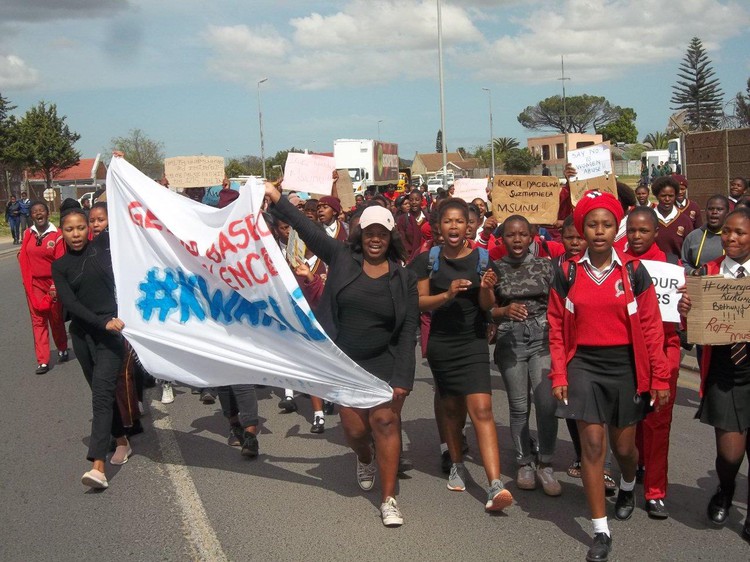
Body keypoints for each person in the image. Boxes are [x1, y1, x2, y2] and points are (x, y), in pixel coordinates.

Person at [265, 181, 418, 528]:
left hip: (384, 361)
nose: (375, 238)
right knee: (355, 432)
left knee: (385, 422)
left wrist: (403, 378)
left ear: (390, 236)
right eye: (369, 232)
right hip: (344, 361)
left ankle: (389, 498)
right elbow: (307, 229)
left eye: (382, 233)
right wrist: (276, 200)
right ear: (360, 234)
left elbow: (408, 330)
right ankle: (365, 458)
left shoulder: (402, 277)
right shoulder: (342, 258)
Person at [548, 191, 671, 561]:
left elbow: (651, 327)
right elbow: (556, 325)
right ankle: (600, 530)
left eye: (606, 225)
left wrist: (661, 378)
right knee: (593, 447)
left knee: (624, 450)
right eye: (591, 224)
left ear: (616, 227)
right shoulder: (567, 271)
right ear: (581, 229)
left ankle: (629, 483)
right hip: (583, 364)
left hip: (626, 366)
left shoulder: (634, 271)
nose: (599, 231)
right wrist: (559, 372)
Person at [409, 198, 513, 513]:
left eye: (460, 221)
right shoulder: (428, 260)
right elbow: (419, 303)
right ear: (438, 227)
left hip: (473, 343)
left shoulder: (483, 259)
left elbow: (487, 307)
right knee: (453, 411)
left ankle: (495, 485)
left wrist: (486, 288)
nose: (454, 227)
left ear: (469, 225)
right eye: (448, 221)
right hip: (441, 343)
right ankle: (456, 462)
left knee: (482, 409)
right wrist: (448, 294)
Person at [678, 207, 750, 542]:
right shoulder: (706, 272)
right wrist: (686, 314)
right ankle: (725, 488)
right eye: (728, 232)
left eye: (741, 233)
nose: (732, 238)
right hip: (725, 374)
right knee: (729, 453)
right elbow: (690, 336)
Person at [52, 208, 130, 489]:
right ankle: (121, 439)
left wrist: (118, 165)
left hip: (110, 337)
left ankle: (98, 465)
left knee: (100, 395)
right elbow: (71, 305)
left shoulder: (104, 252)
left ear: (89, 229)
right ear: (62, 231)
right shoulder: (59, 266)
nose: (76, 234)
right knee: (103, 394)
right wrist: (101, 322)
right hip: (84, 336)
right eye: (70, 229)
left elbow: (123, 217)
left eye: (81, 228)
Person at [486, 215, 561, 496]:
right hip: (510, 341)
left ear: (532, 237)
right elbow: (487, 310)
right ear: (502, 239)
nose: (517, 240)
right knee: (519, 406)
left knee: (546, 404)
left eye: (522, 235)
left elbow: (561, 302)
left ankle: (547, 464)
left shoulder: (546, 266)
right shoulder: (494, 269)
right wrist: (504, 311)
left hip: (543, 341)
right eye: (510, 235)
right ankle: (524, 462)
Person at [624, 207, 683, 519]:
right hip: (627, 353)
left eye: (643, 231)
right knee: (629, 421)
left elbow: (683, 315)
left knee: (658, 424)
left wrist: (687, 304)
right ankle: (631, 475)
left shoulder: (672, 267)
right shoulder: (617, 263)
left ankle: (655, 492)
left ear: (656, 232)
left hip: (664, 350)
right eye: (631, 230)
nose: (636, 237)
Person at [17, 201, 69, 374]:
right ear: (31, 215)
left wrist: (56, 284)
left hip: (53, 283)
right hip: (34, 284)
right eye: (34, 212)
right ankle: (43, 360)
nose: (38, 214)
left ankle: (62, 347)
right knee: (38, 320)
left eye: (41, 211)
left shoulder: (57, 235)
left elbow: (61, 262)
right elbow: (24, 257)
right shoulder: (27, 234)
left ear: (48, 213)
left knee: (55, 319)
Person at [681, 195, 729, 275]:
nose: (714, 212)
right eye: (710, 209)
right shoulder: (693, 236)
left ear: (727, 213)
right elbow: (684, 262)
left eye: (719, 209)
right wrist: (693, 272)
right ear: (705, 211)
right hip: (700, 283)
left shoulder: (733, 237)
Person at [650, 176, 694, 256]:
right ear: (656, 196)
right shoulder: (648, 218)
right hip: (653, 265)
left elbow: (690, 249)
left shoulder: (685, 221)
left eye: (671, 196)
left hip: (677, 266)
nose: (667, 199)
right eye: (663, 196)